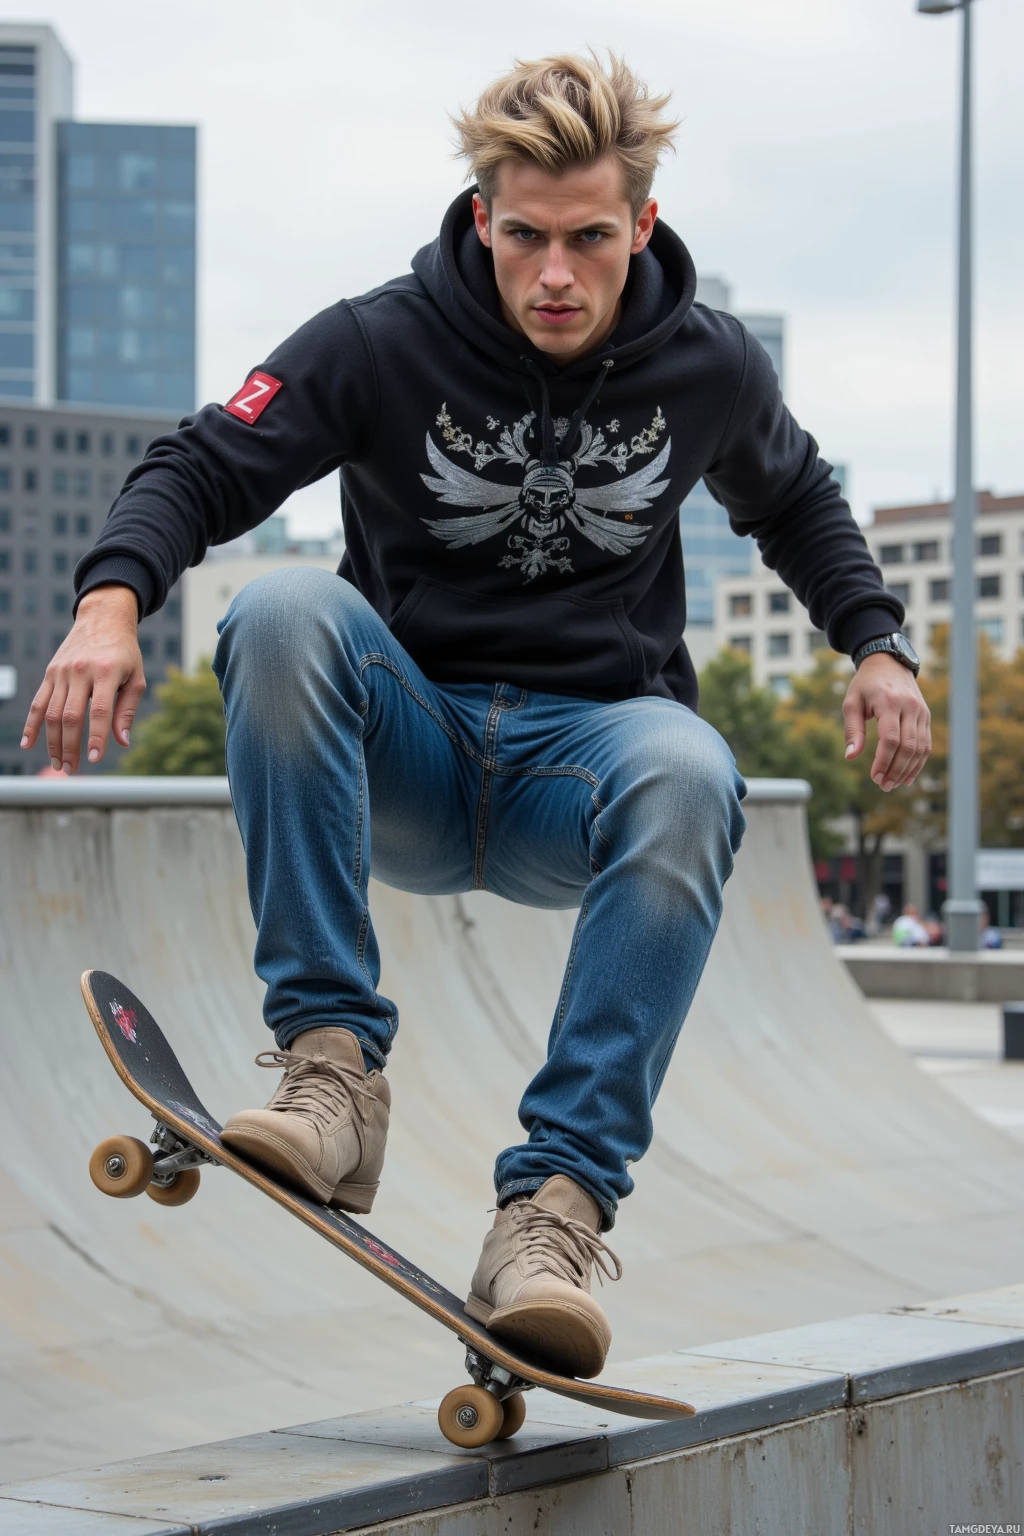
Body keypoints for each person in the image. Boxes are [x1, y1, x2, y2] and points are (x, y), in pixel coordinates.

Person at [20, 54, 932, 1380]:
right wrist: (109, 603)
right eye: (525, 239)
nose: (555, 275)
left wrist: (878, 646)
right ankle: (332, 1072)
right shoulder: (377, 340)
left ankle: (553, 1214)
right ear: (481, 217)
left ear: (643, 226)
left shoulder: (711, 365)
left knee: (694, 765)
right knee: (282, 612)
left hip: (586, 768)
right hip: (416, 747)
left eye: (590, 240)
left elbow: (796, 501)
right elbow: (204, 462)